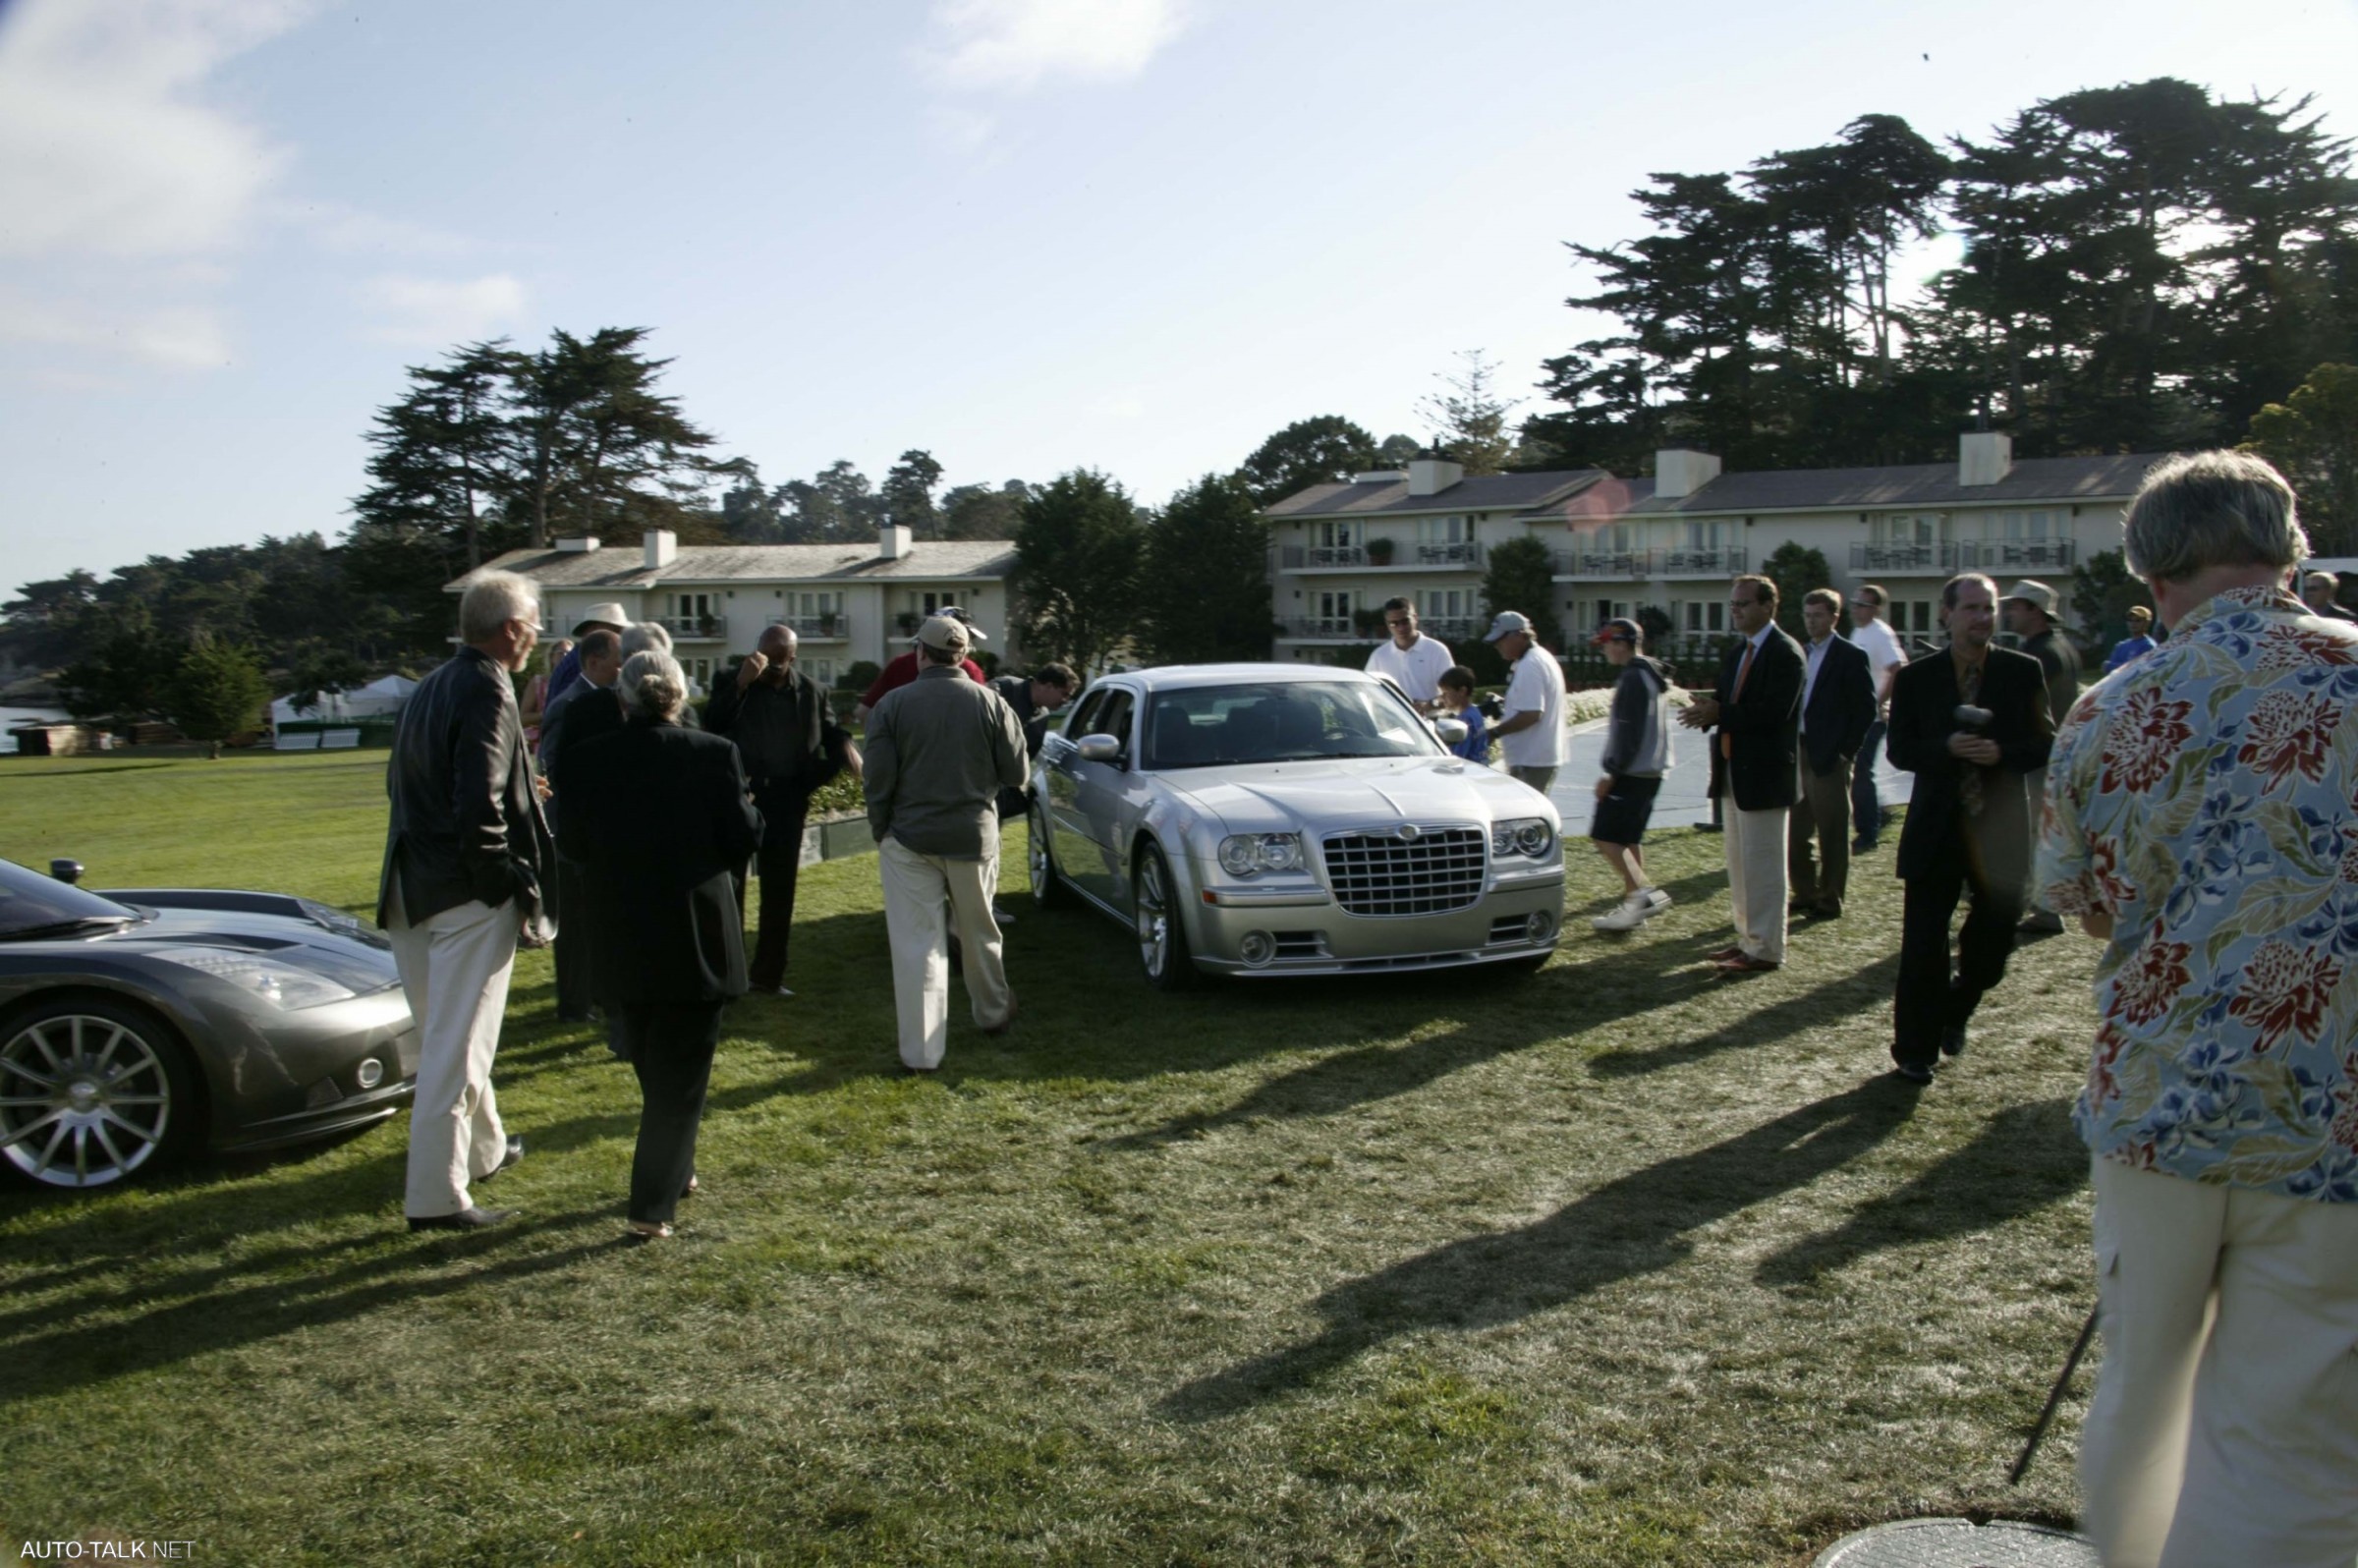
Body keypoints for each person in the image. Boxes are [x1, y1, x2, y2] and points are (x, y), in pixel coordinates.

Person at [2039, 451, 2358, 1568]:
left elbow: (2082, 906)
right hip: (2334, 1111)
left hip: (2159, 1108)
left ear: (2155, 572)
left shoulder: (2110, 706)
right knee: (2302, 1426)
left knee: (2143, 1389)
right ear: (2289, 553)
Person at [556, 649, 762, 1244]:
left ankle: (679, 1168)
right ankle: (651, 1205)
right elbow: (741, 839)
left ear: (622, 699)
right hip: (695, 931)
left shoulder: (587, 761)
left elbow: (572, 845)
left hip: (620, 931)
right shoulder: (714, 754)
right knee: (680, 1074)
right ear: (680, 696)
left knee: (654, 1061)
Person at [377, 569, 554, 1231]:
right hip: (461, 893)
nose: (536, 638)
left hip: (410, 886)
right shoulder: (489, 686)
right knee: (456, 1051)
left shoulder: (431, 685)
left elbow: (405, 786)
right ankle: (436, 1198)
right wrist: (502, 883)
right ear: (511, 629)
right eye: (534, 626)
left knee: (450, 1037)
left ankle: (485, 1149)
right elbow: (477, 801)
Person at [1883, 572, 2050, 1084]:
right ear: (1947, 614)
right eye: (1972, 608)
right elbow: (1899, 749)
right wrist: (1945, 749)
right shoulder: (1917, 678)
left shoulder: (2022, 672)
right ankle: (1915, 1049)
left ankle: (1959, 1007)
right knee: (1923, 944)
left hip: (1998, 829)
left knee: (1994, 941)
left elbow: (2047, 741)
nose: (1982, 617)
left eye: (1989, 608)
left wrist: (2001, 752)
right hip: (1937, 825)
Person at [863, 615, 1027, 1072]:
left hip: (909, 840)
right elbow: (1018, 774)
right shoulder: (991, 703)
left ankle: (921, 1053)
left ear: (919, 652)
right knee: (979, 932)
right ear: (964, 654)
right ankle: (993, 1013)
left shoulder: (893, 705)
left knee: (919, 945)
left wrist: (882, 830)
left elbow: (877, 780)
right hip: (973, 835)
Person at [704, 625, 859, 996]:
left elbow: (832, 733)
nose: (770, 665)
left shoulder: (813, 691)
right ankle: (730, 974)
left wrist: (846, 751)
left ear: (792, 657)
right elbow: (712, 724)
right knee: (732, 887)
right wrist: (741, 684)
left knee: (780, 890)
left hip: (787, 799)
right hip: (743, 797)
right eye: (764, 656)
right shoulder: (732, 679)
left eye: (778, 660)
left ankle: (768, 976)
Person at [1676, 575, 1803, 973]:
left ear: (1768, 606)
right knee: (1740, 863)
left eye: (1743, 604)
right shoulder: (1739, 653)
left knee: (1764, 865)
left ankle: (1766, 949)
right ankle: (1747, 939)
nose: (1736, 611)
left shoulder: (1785, 653)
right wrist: (1706, 711)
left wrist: (1721, 713)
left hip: (1765, 776)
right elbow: (1729, 703)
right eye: (1733, 604)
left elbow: (1773, 713)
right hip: (1734, 771)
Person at [537, 628, 624, 1024]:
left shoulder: (610, 700)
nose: (622, 667)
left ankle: (598, 993)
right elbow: (552, 769)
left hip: (600, 831)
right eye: (616, 659)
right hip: (571, 832)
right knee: (573, 922)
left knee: (598, 917)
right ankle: (574, 1004)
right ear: (593, 661)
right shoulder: (567, 704)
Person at [1786, 588, 1877, 921]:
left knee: (1832, 832)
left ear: (1834, 617)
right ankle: (1804, 893)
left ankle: (1830, 898)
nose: (1811, 622)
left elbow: (1866, 709)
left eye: (1818, 615)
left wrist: (1845, 752)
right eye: (1807, 615)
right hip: (1799, 752)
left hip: (1830, 757)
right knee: (1796, 833)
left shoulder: (1850, 655)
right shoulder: (1800, 652)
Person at [2000, 580, 2082, 935]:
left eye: (2015, 606)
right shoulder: (2062, 647)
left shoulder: (2040, 654)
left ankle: (2046, 910)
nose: (2008, 613)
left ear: (2034, 611)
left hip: (2039, 757)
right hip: (2058, 753)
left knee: (2035, 836)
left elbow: (2022, 708)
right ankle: (2044, 905)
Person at [1586, 619, 1674, 931]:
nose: (1605, 650)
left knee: (1605, 836)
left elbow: (1629, 732)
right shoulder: (1649, 673)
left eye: (1608, 643)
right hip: (1650, 771)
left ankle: (1642, 894)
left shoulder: (1634, 678)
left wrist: (1611, 774)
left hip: (1632, 772)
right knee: (1628, 838)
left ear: (1622, 643)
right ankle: (1634, 906)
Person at [987, 662, 1079, 923]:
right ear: (1047, 685)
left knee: (991, 849)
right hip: (968, 785)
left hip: (998, 792)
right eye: (1065, 694)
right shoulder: (1003, 689)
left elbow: (1025, 757)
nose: (1065, 701)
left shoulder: (1042, 717)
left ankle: (985, 906)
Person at [1845, 585, 1907, 852]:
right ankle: (1877, 814)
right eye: (1855, 603)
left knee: (1861, 772)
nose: (1856, 608)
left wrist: (1877, 702)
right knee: (1857, 771)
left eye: (1863, 604)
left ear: (1876, 609)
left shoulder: (1880, 634)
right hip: (1858, 715)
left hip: (1873, 717)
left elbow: (1897, 668)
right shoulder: (1860, 631)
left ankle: (1868, 833)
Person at [853, 605, 987, 723]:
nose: (969, 643)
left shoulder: (899, 665)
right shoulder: (970, 669)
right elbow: (985, 716)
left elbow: (864, 712)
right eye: (967, 636)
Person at [1482, 611, 1565, 794]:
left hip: (1532, 761)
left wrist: (1495, 732)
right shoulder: (1537, 658)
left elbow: (1531, 714)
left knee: (1525, 819)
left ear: (1519, 635)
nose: (1497, 645)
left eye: (1500, 640)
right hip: (1535, 758)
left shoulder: (1531, 664)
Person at [1364, 597, 1453, 713]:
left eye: (1405, 621)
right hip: (1394, 726)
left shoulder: (1437, 651)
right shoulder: (1379, 656)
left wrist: (1428, 705)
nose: (1400, 627)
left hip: (1432, 725)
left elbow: (1453, 694)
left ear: (1415, 618)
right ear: (1387, 624)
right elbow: (1367, 694)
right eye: (1394, 623)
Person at [540, 601, 630, 712]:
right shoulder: (580, 665)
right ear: (594, 628)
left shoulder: (577, 658)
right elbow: (567, 711)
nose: (619, 636)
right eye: (615, 630)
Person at [519, 638, 570, 749]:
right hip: (544, 745)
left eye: (569, 654)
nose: (565, 657)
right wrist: (549, 714)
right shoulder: (538, 683)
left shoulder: (576, 683)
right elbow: (523, 718)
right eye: (561, 653)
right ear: (551, 657)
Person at [1434, 666, 1488, 762]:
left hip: (1469, 771)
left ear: (1462, 691)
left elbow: (1458, 756)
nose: (1442, 697)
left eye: (1446, 692)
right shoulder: (1475, 712)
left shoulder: (1465, 719)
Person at [2100, 604, 2159, 673]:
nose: (2133, 623)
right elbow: (2109, 671)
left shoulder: (2148, 646)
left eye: (2138, 620)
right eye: (2130, 620)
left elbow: (2136, 670)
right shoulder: (2121, 646)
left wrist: (2111, 666)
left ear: (2147, 623)